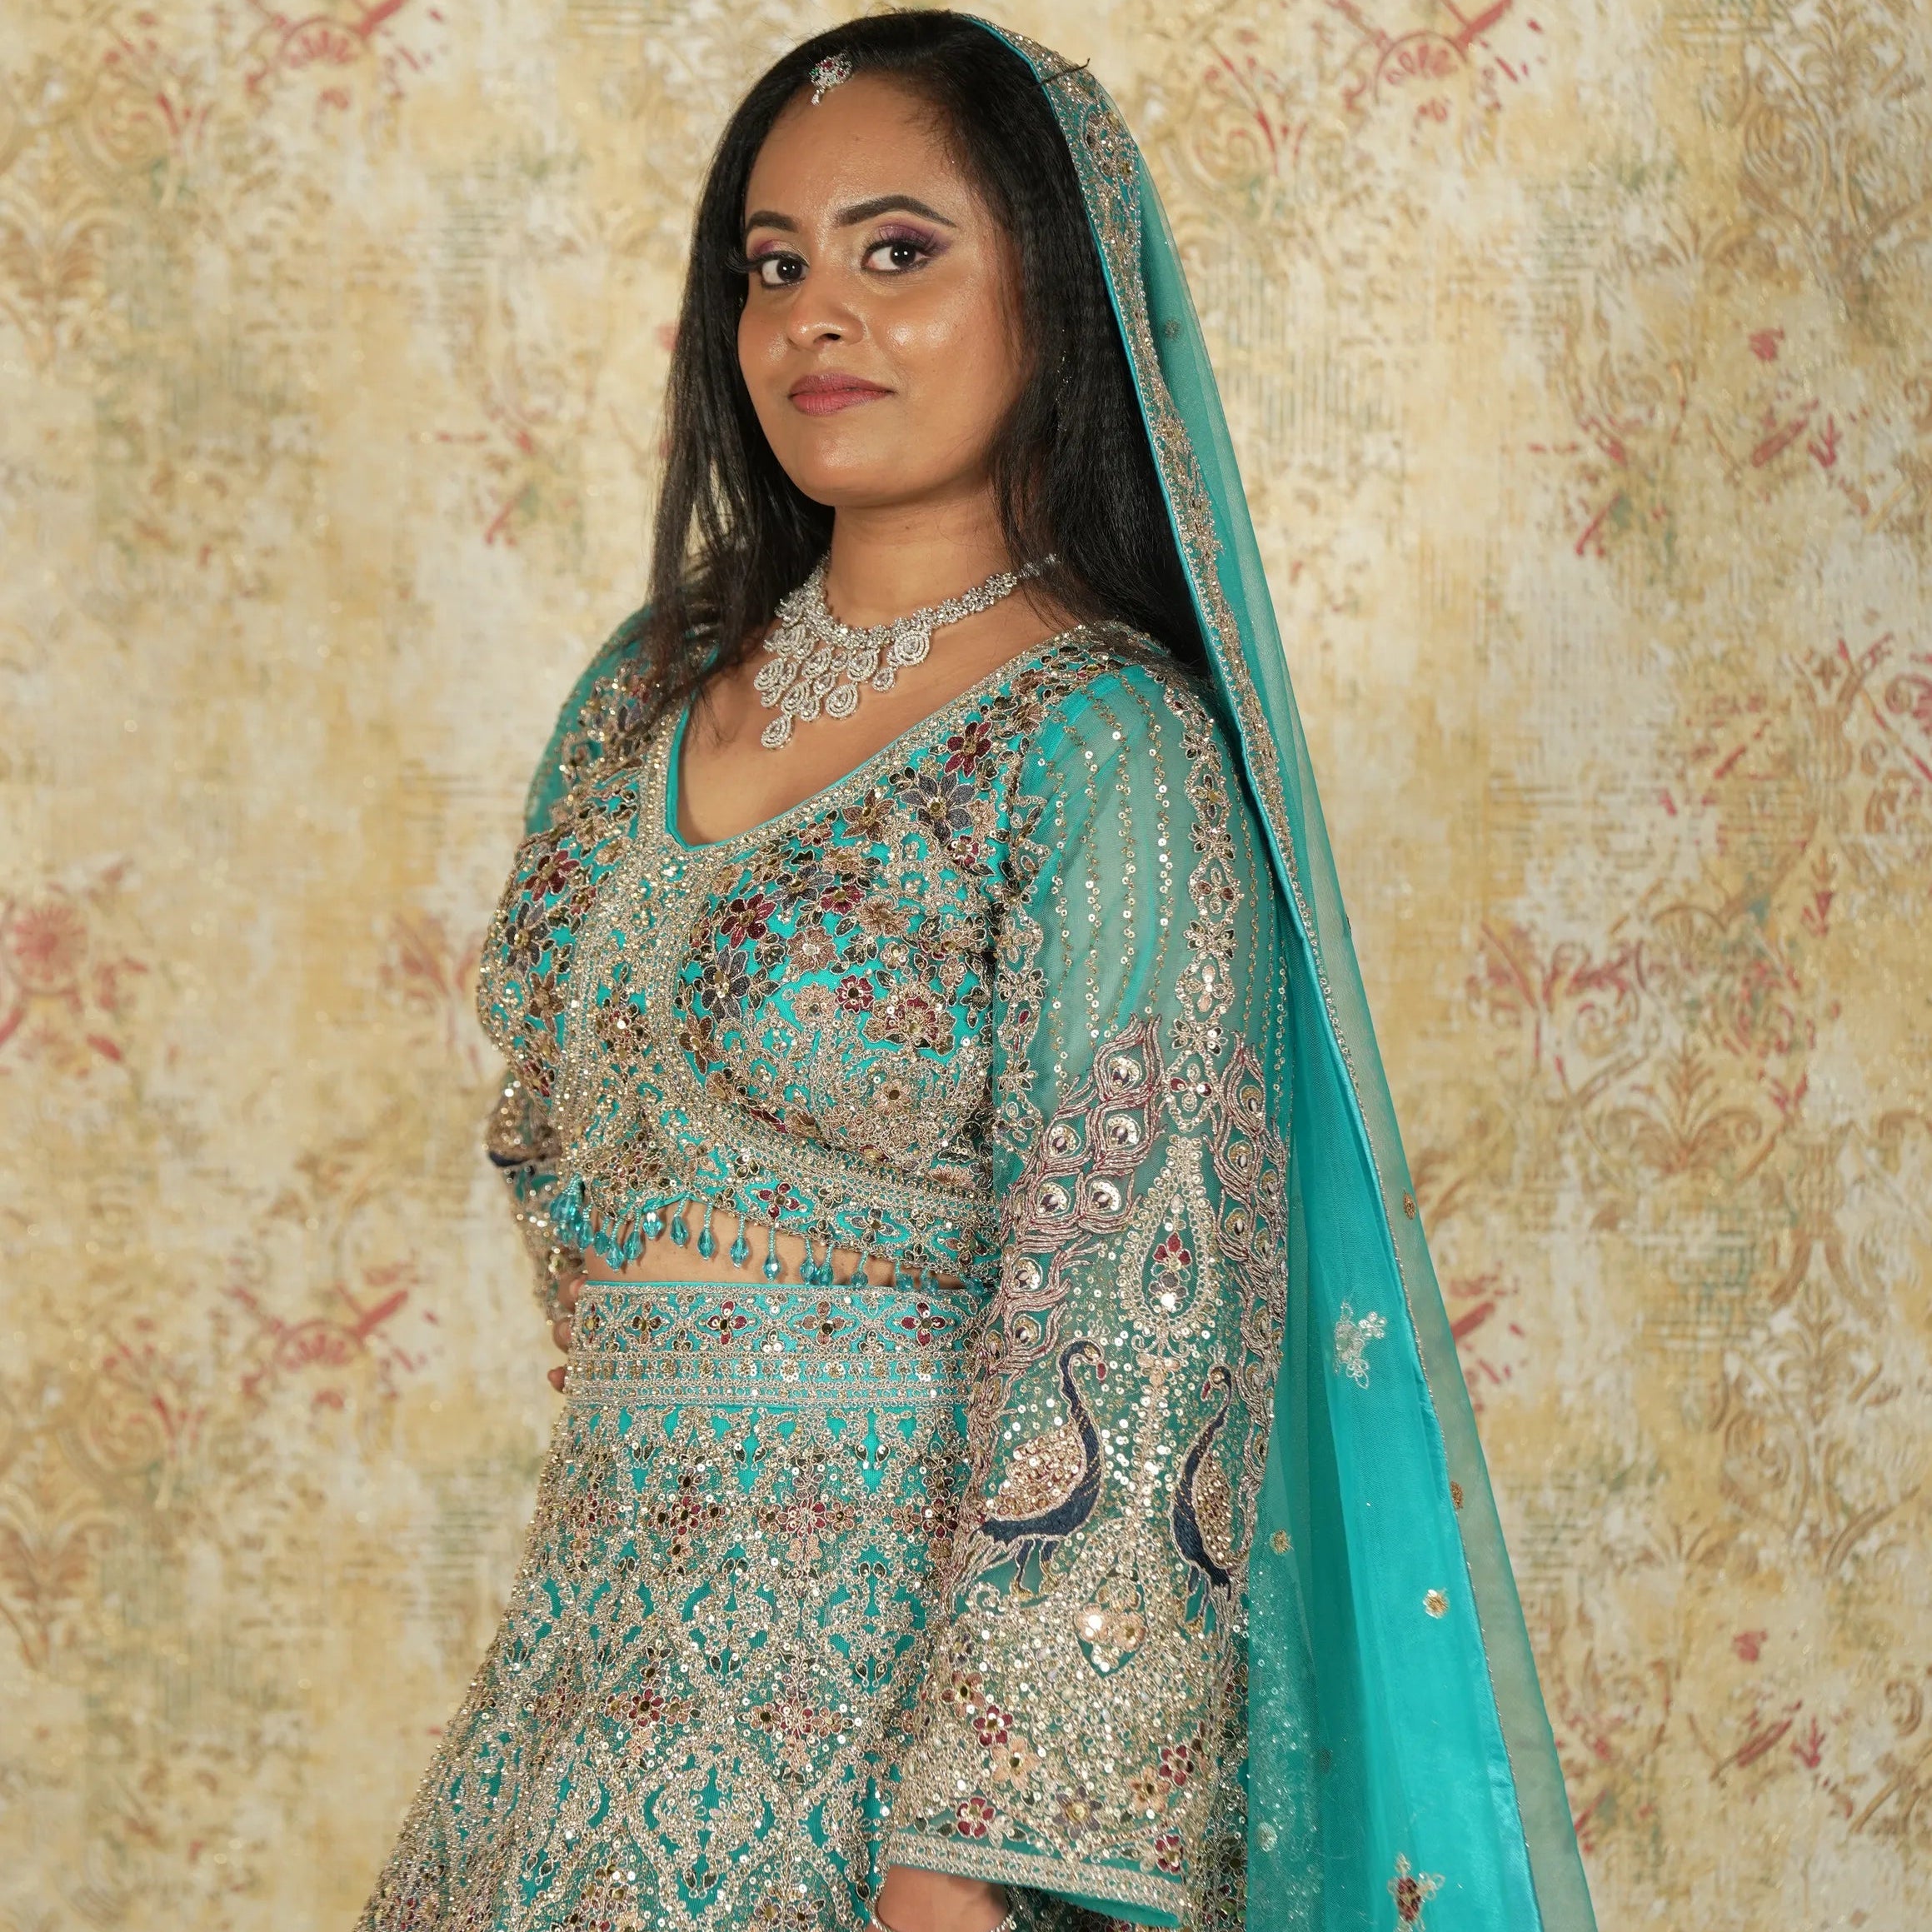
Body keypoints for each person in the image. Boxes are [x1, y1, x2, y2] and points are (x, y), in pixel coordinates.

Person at [358, 15, 1596, 1932]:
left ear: (1059, 287)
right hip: (567, 1730)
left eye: (897, 250)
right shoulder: (639, 698)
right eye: (772, 263)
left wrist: (973, 1863)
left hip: (901, 1794)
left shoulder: (1103, 750)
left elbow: (1138, 1326)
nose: (816, 315)